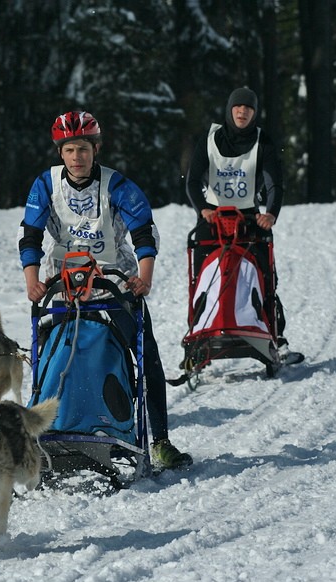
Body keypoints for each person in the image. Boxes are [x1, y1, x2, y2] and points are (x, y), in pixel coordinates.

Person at [18, 110, 192, 470]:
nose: (76, 158)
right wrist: (32, 281)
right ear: (60, 153)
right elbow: (30, 236)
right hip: (61, 286)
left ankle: (159, 440)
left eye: (83, 149)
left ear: (96, 149)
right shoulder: (45, 185)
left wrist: (144, 276)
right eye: (69, 150)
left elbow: (143, 231)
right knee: (49, 353)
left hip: (114, 283)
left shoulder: (117, 185)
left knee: (147, 356)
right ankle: (45, 430)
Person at [185, 87, 287, 344]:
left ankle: (271, 332)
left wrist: (271, 214)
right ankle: (199, 330)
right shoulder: (209, 139)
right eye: (238, 107)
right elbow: (193, 180)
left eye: (249, 108)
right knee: (202, 278)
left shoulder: (263, 141)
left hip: (250, 219)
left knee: (265, 275)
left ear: (255, 113)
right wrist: (203, 209)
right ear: (230, 110)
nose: (243, 112)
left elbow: (275, 183)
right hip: (212, 217)